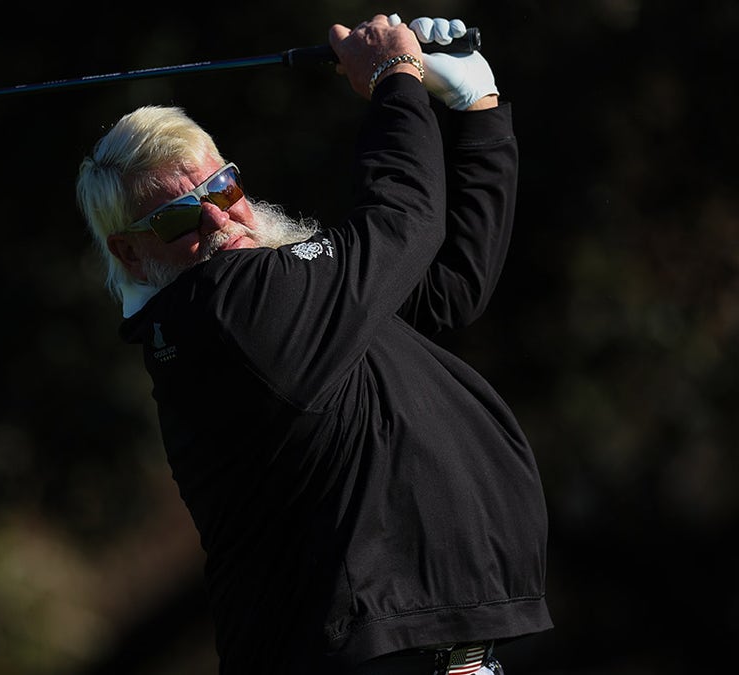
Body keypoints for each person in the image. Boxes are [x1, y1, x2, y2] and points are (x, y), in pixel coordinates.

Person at [75, 13, 552, 675]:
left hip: (442, 655)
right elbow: (403, 220)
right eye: (180, 215)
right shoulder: (223, 310)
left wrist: (478, 109)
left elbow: (447, 289)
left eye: (223, 186)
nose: (218, 217)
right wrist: (394, 77)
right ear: (129, 252)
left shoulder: (298, 310)